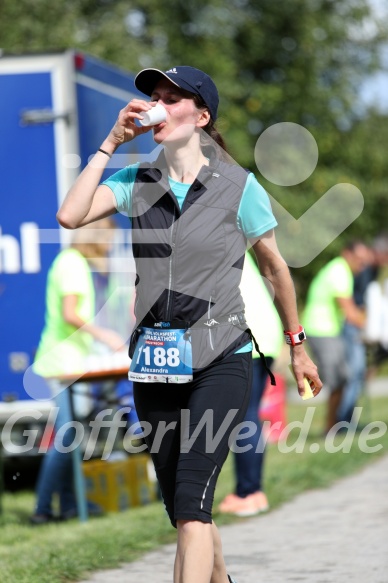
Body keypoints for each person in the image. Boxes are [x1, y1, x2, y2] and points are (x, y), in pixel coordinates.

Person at [56, 65, 322, 583]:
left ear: (201, 116)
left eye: (171, 97)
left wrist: (297, 346)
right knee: (183, 505)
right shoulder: (136, 181)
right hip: (155, 362)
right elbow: (70, 216)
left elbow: (274, 269)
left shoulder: (238, 187)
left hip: (222, 356)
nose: (157, 104)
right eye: (154, 95)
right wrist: (111, 142)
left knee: (193, 509)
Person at [30, 218, 125, 524]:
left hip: (74, 361)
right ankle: (42, 509)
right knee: (67, 438)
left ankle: (70, 505)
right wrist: (104, 336)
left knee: (74, 435)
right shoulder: (71, 263)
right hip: (61, 362)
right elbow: (71, 314)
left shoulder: (83, 264)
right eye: (110, 238)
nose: (111, 245)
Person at [218, 251, 283, 517]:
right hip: (263, 335)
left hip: (246, 339)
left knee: (244, 419)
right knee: (248, 416)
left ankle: (248, 492)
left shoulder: (214, 247)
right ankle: (251, 491)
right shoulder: (234, 245)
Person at [303, 241, 369, 433]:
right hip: (321, 330)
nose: (362, 267)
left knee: (343, 379)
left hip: (328, 330)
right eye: (359, 261)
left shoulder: (339, 269)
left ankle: (335, 426)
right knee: (338, 380)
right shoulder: (340, 272)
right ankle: (331, 428)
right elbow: (350, 313)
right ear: (347, 254)